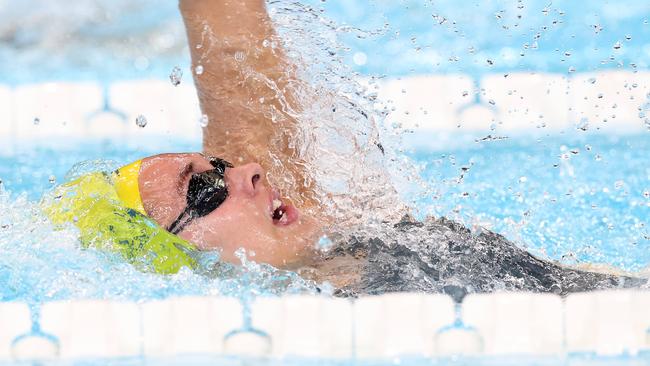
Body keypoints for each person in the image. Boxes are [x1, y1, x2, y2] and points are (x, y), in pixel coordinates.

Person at [46, 0, 647, 297]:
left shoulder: (298, 226)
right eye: (204, 189)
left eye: (220, 167)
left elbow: (229, 36)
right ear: (173, 258)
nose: (248, 169)